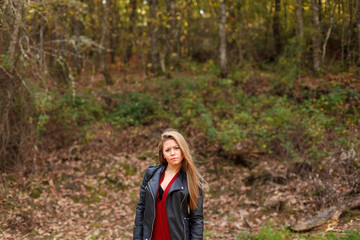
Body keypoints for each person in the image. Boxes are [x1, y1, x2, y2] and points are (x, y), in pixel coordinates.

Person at [133, 129, 206, 240]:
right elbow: (141, 208)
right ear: (163, 155)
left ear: (183, 150)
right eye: (168, 150)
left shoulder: (192, 179)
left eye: (176, 148)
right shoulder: (151, 174)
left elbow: (196, 219)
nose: (173, 153)